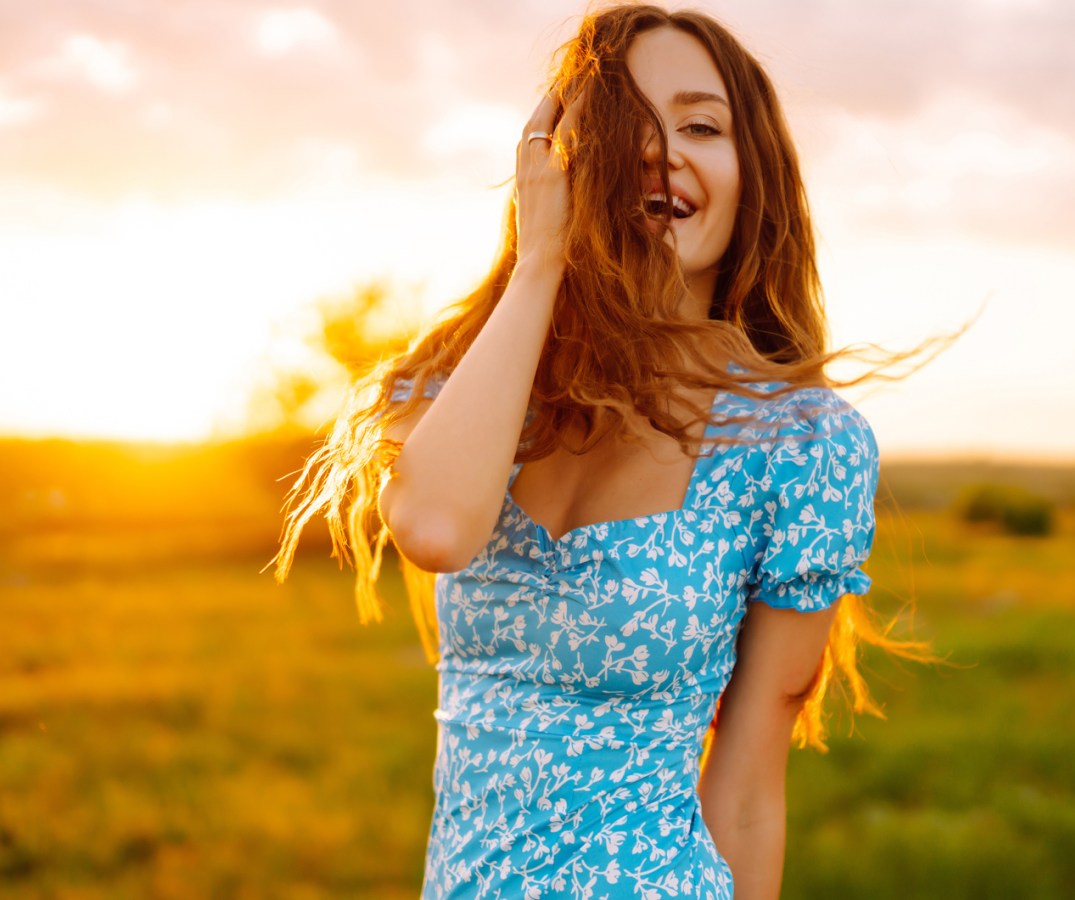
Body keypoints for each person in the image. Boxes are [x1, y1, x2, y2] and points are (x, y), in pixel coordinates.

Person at [276, 5, 937, 897]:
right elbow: (436, 527)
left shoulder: (800, 443)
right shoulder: (450, 386)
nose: (663, 151)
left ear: (754, 176)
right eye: (623, 125)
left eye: (701, 125)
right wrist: (541, 258)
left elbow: (745, 798)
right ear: (562, 163)